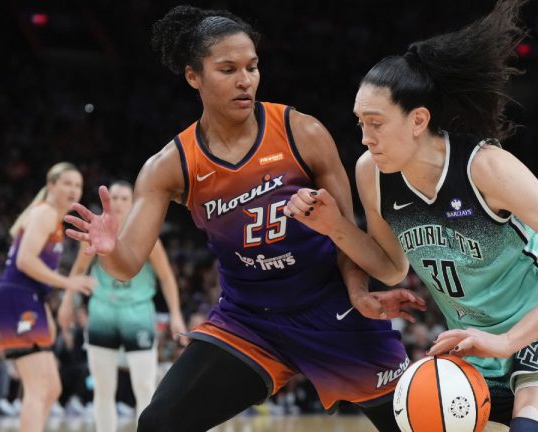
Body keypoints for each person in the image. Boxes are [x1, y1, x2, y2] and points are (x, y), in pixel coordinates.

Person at [64, 6, 424, 432]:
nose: (245, 80)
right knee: (159, 424)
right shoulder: (170, 166)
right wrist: (108, 249)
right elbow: (126, 264)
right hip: (250, 321)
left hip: (333, 310)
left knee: (416, 426)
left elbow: (345, 233)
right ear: (193, 76)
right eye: (228, 69)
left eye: (252, 67)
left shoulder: (301, 132)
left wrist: (359, 293)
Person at [284, 1, 538, 431]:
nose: (365, 138)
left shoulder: (486, 169)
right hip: (472, 347)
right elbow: (391, 267)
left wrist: (508, 341)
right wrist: (334, 228)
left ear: (418, 120)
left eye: (376, 123)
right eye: (360, 124)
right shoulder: (373, 174)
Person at [58, 180, 188, 432]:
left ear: (134, 203)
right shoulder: (95, 232)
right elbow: (78, 271)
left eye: (123, 198)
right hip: (102, 312)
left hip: (137, 313)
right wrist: (66, 303)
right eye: (114, 197)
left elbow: (166, 277)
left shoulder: (146, 235)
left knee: (145, 388)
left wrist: (175, 314)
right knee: (103, 389)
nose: (117, 203)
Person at [0, 162, 95, 432]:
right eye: (67, 183)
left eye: (78, 185)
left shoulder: (53, 219)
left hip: (30, 299)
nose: (73, 189)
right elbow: (25, 262)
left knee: (52, 387)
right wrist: (68, 282)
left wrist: (46, 311)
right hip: (17, 298)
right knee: (38, 388)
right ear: (51, 186)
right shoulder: (46, 213)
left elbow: (32, 273)